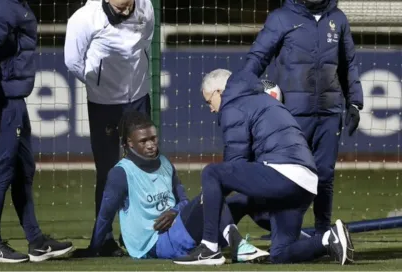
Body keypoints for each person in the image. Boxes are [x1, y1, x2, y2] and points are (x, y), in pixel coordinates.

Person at [173, 69, 354, 265]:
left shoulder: (233, 105)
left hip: (284, 173)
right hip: (305, 182)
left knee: (212, 172)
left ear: (219, 92)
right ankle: (329, 239)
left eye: (209, 101)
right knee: (280, 253)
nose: (211, 109)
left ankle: (209, 248)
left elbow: (235, 162)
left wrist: (211, 195)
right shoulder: (262, 100)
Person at [72, 111, 269, 264]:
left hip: (179, 230)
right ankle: (237, 246)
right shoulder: (121, 173)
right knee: (211, 195)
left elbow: (182, 200)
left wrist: (175, 211)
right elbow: (105, 215)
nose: (151, 145)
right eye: (144, 141)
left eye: (153, 138)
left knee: (243, 198)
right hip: (153, 243)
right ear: (129, 144)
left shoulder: (165, 162)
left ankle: (281, 239)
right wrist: (93, 248)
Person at [238, 0, 363, 235]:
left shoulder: (338, 19)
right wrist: (241, 90)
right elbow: (257, 57)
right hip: (292, 114)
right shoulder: (281, 17)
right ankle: (281, 229)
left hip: (329, 113)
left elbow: (349, 65)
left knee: (324, 176)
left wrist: (354, 102)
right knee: (288, 174)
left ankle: (323, 234)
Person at [0, 0, 72, 263]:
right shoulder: (2, 5)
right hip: (3, 100)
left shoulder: (13, 4)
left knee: (24, 169)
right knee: (2, 171)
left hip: (14, 98)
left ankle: (36, 241)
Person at [64, 0, 154, 255]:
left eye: (129, 6)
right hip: (103, 104)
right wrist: (98, 83)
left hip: (138, 98)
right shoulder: (83, 18)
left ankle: (139, 234)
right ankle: (104, 239)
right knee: (108, 171)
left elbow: (146, 39)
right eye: (122, 7)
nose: (127, 10)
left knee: (144, 169)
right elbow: (72, 61)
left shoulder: (146, 6)